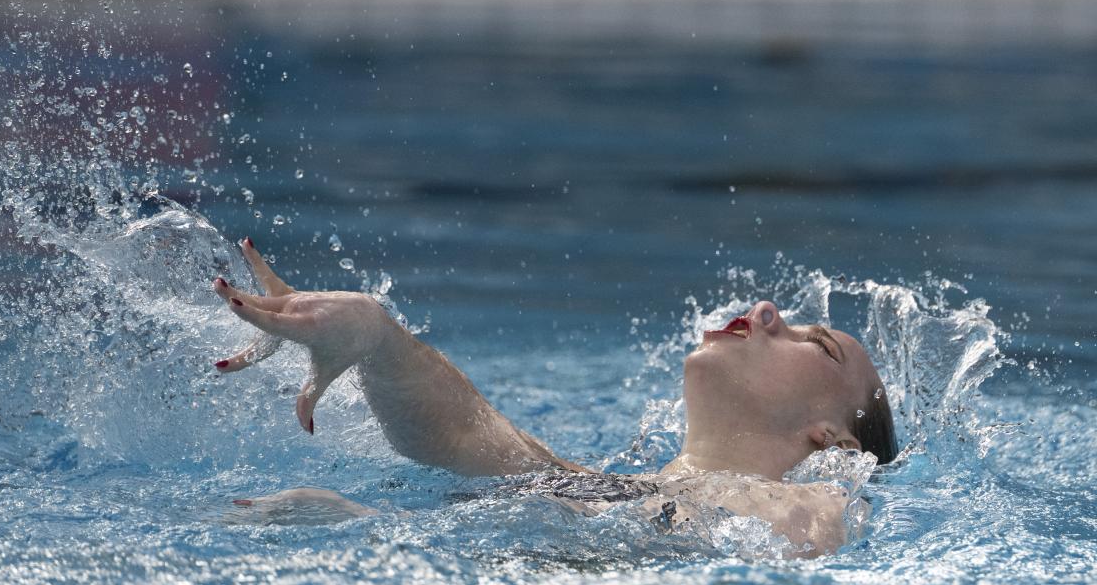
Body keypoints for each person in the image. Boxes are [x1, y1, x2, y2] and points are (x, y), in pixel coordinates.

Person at [212, 238, 897, 557]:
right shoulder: (618, 488)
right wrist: (374, 336)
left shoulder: (820, 501)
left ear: (830, 437)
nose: (771, 310)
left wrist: (377, 527)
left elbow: (799, 545)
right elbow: (466, 437)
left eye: (819, 344)